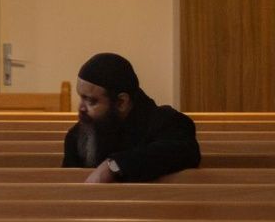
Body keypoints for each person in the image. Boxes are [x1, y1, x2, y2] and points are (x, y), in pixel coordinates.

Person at [62, 52, 199, 182]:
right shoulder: (77, 136)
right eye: (81, 97)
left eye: (91, 101)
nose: (81, 108)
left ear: (121, 102)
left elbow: (183, 151)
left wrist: (113, 166)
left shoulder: (169, 122)